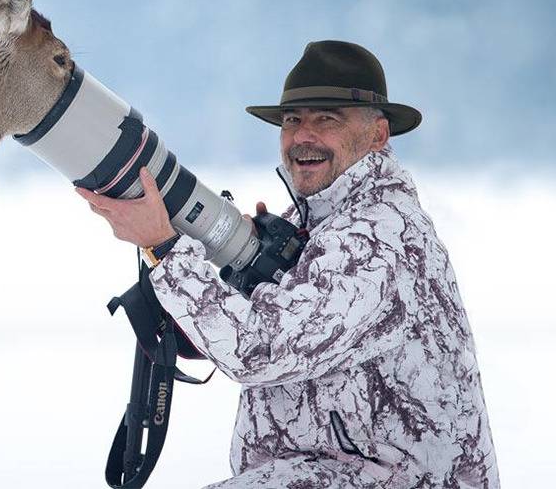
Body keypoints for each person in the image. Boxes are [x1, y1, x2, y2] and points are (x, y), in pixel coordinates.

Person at [77, 40, 499, 488]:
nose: (302, 136)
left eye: (326, 119)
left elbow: (259, 350)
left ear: (378, 135)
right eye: (292, 120)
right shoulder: (319, 222)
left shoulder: (379, 238)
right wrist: (241, 273)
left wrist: (164, 248)